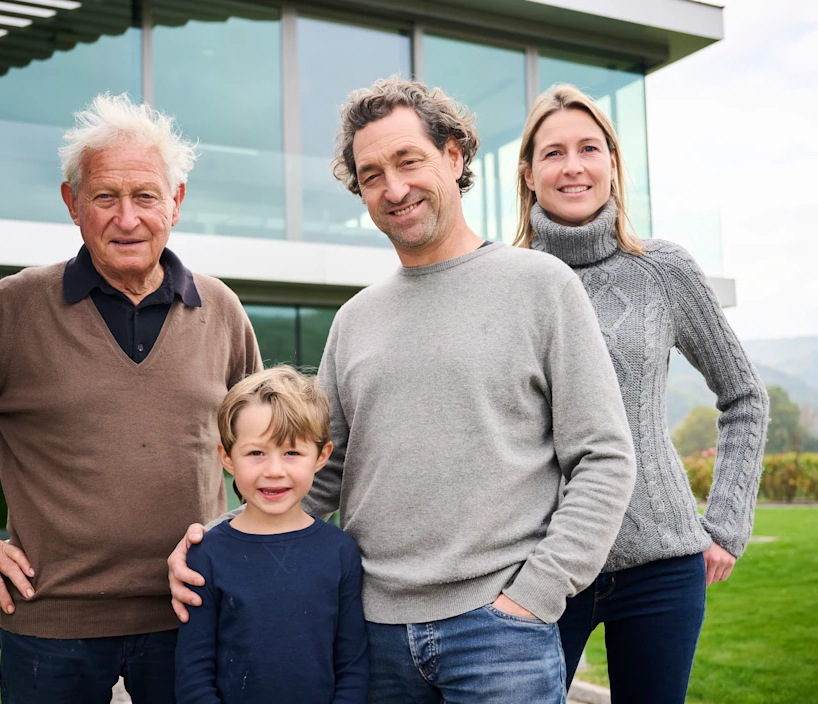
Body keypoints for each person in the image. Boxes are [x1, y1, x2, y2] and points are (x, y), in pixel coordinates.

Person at [169, 78, 638, 703]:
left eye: (408, 160)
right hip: (372, 636)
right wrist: (221, 545)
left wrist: (536, 595)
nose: (393, 188)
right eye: (370, 175)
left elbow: (604, 458)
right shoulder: (354, 320)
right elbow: (317, 476)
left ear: (454, 156)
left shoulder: (540, 286)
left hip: (500, 636)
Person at [0, 93, 262, 704]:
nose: (127, 218)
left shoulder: (223, 311)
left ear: (176, 204)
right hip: (51, 629)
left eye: (146, 197)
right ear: (73, 204)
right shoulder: (17, 308)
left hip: (190, 614)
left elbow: (258, 452)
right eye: (105, 197)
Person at [513, 84, 770, 703]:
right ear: (527, 174)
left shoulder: (664, 270)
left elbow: (744, 396)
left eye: (588, 148)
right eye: (553, 153)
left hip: (662, 566)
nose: (573, 166)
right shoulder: (506, 278)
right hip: (541, 566)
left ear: (613, 164)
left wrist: (727, 523)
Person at [175, 365, 368, 704]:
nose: (274, 471)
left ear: (322, 456)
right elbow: (194, 672)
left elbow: (351, 666)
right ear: (227, 457)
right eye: (256, 453)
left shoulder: (341, 552)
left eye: (292, 452)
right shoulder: (206, 555)